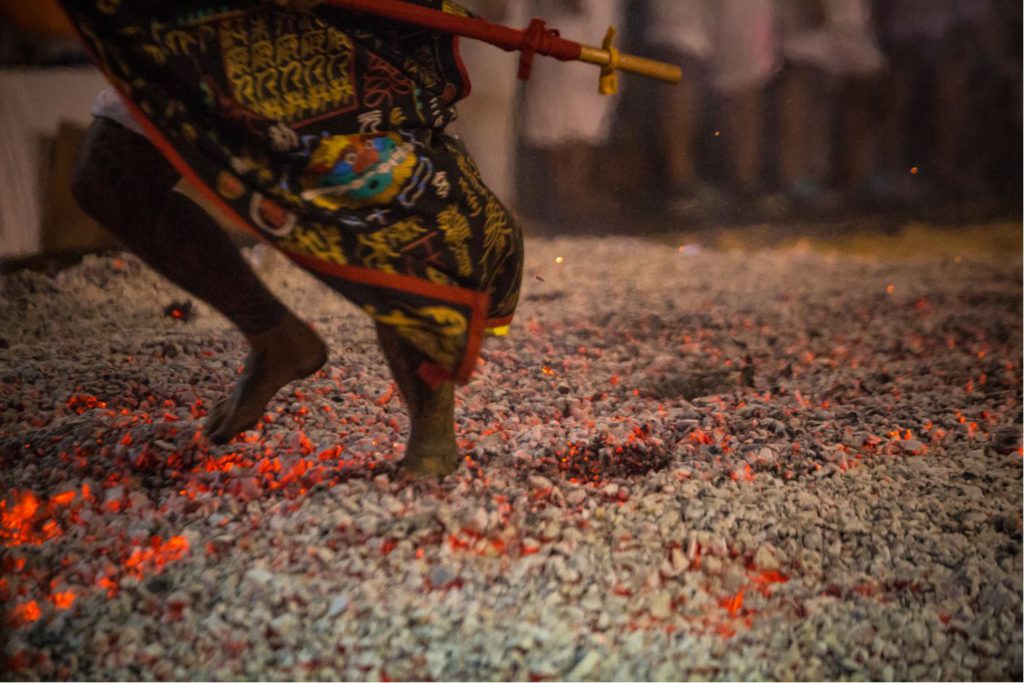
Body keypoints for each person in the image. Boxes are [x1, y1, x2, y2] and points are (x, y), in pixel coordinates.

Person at [62, 0, 524, 478]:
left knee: (394, 198)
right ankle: (275, 337)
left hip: (322, 37)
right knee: (108, 176)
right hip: (205, 28)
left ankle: (432, 428)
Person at [517, 0, 623, 230]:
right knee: (564, 110)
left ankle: (574, 191)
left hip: (594, 26)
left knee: (587, 109)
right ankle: (566, 193)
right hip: (564, 27)